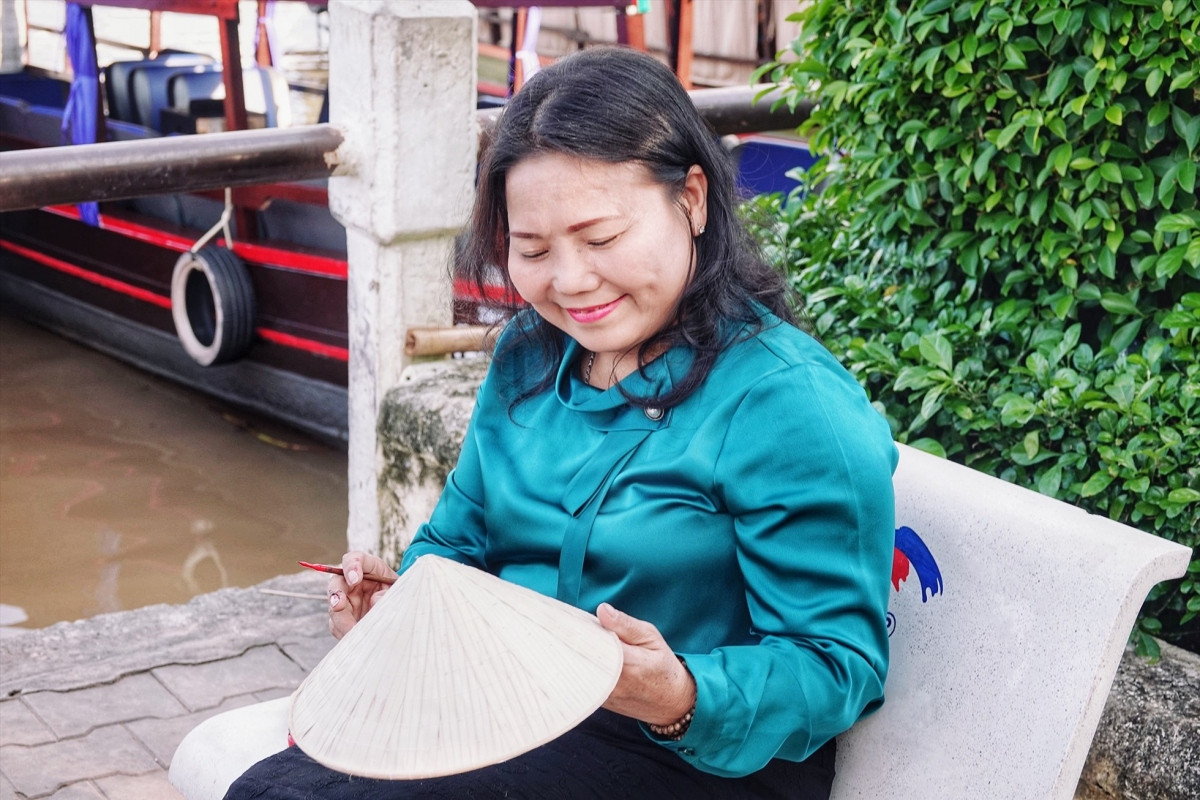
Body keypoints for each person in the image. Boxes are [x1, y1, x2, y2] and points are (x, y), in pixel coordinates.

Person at [226, 45, 897, 800]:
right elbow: (455, 546)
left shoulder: (790, 404)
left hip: (693, 759)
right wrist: (402, 606)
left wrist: (676, 693)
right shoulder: (527, 355)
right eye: (534, 249)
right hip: (512, 709)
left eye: (601, 239)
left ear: (692, 200)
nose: (571, 282)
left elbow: (834, 665)